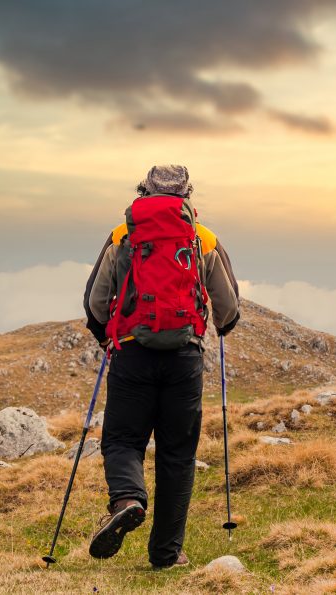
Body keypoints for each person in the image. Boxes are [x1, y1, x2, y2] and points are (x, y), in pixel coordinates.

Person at [82, 164, 240, 569]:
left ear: (143, 191)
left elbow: (95, 303)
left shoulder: (124, 235)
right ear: (187, 195)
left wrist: (107, 338)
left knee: (121, 441)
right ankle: (166, 554)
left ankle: (129, 499)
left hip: (132, 354)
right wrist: (218, 327)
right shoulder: (202, 238)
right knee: (177, 456)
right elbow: (229, 309)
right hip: (184, 360)